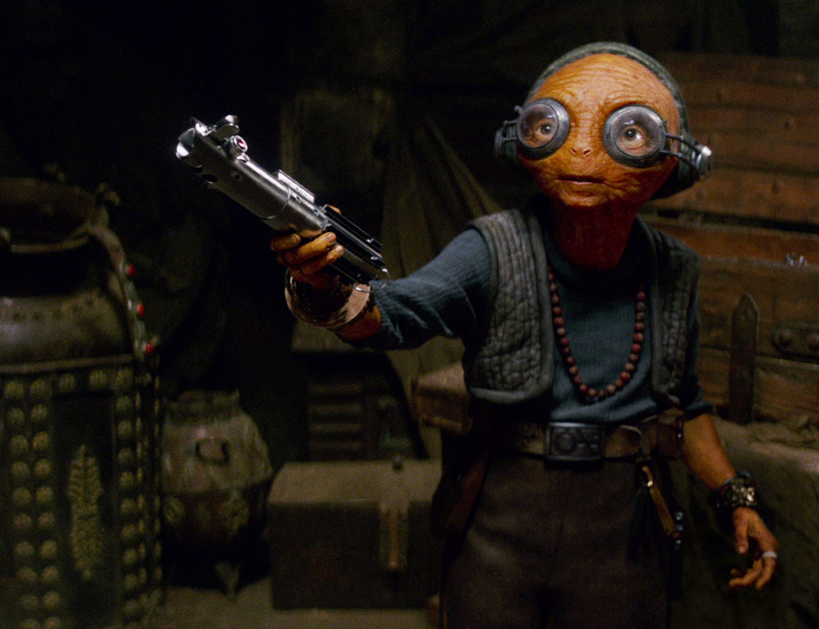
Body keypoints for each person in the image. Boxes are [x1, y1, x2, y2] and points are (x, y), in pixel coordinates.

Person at [271, 42, 777, 629]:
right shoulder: (493, 251)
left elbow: (685, 405)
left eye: (628, 132)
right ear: (525, 142)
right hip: (503, 514)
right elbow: (396, 314)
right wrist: (325, 287)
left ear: (671, 159)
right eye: (553, 124)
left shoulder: (672, 270)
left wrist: (734, 497)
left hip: (624, 523)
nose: (583, 150)